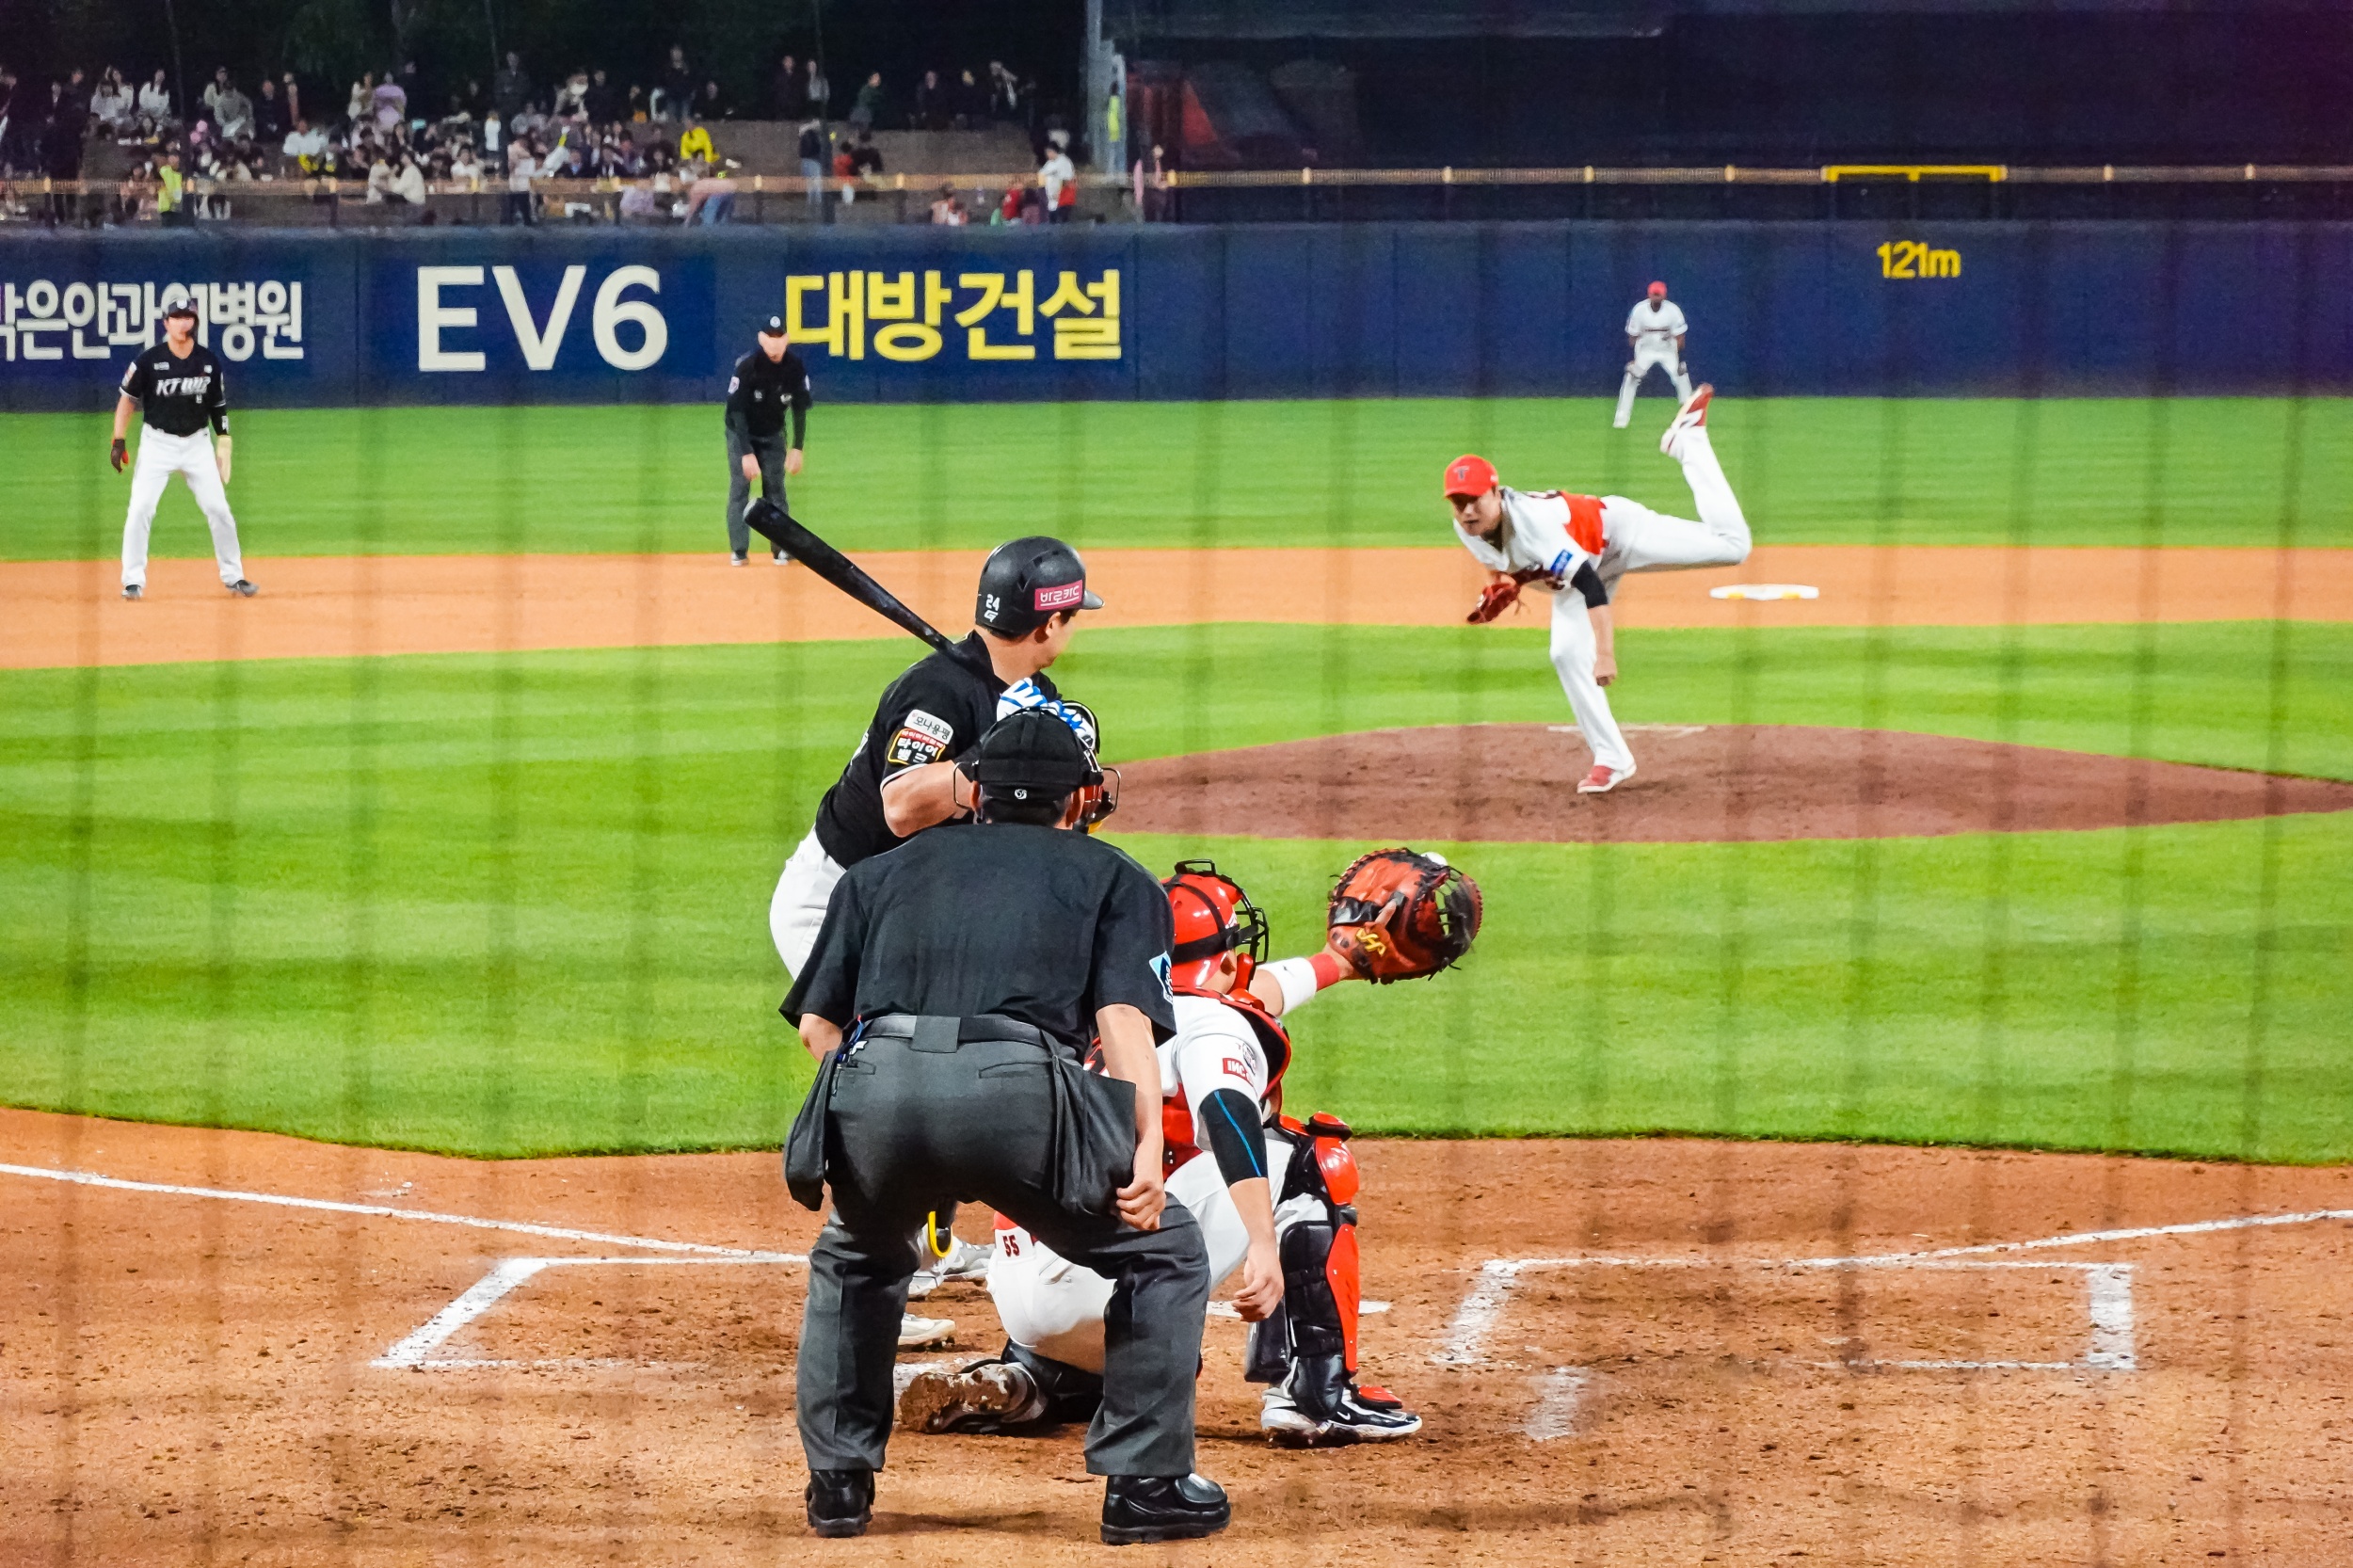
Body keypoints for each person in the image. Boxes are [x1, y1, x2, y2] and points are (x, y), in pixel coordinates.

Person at [782, 707, 1230, 1544]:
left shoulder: (877, 874)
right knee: (1163, 1250)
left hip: (875, 1083)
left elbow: (819, 1027)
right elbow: (1124, 1027)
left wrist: (896, 1113)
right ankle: (1145, 1487)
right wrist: (1144, 1153)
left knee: (857, 1257)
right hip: (1019, 1093)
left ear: (974, 791)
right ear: (1080, 799)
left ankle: (838, 1487)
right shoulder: (1116, 877)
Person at [902, 860, 1424, 1447]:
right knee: (1307, 1159)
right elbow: (1227, 1110)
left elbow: (1240, 993)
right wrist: (1261, 1243)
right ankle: (1316, 1397)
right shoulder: (1214, 1020)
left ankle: (1037, 1379)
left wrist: (1338, 962)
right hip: (1104, 1288)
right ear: (1227, 961)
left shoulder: (1088, 1001)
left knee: (1094, 1187)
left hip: (1025, 1288)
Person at [1449, 386, 1747, 792]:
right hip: (1577, 571)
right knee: (1565, 653)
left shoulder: (1534, 525)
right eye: (1458, 502)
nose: (1467, 510)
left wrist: (1604, 654)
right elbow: (1494, 559)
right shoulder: (1467, 526)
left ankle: (1687, 441)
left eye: (1475, 500)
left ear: (1496, 494)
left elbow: (1590, 584)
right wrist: (1500, 583)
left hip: (1620, 535)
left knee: (1733, 547)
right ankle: (1612, 758)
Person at [110, 301, 254, 600]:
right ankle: (132, 581)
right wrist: (118, 440)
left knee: (219, 510)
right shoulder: (148, 361)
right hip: (157, 444)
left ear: (195, 322)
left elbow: (217, 403)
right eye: (176, 317)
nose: (182, 322)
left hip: (197, 445)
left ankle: (235, 576)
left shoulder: (208, 361)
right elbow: (127, 400)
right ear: (166, 323)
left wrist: (224, 438)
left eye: (188, 317)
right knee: (140, 509)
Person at [724, 315, 809, 565]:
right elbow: (736, 412)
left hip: (773, 432)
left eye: (779, 337)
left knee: (776, 490)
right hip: (741, 432)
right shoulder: (747, 366)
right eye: (769, 338)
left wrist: (797, 447)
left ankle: (781, 548)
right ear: (761, 339)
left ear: (787, 339)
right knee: (740, 488)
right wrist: (746, 453)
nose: (774, 343)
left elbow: (800, 408)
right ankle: (739, 550)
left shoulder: (794, 367)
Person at [1614, 280, 1693, 430]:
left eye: (1659, 295)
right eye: (1654, 294)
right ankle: (1621, 420)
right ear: (1649, 295)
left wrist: (1680, 358)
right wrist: (1632, 360)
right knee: (1630, 379)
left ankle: (1689, 420)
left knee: (1681, 377)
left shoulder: (1673, 310)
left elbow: (1680, 337)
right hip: (1646, 350)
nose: (1656, 297)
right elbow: (1632, 336)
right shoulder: (1639, 310)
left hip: (1667, 350)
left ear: (1664, 296)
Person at [1040, 136, 1076, 223]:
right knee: (1052, 223)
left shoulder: (1063, 161)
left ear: (1054, 151)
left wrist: (1060, 193)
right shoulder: (1049, 163)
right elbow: (1042, 174)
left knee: (1061, 224)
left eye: (1048, 152)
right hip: (1051, 202)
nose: (1047, 155)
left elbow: (1068, 179)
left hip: (1062, 201)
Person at [795, 117, 824, 210]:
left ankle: (811, 203)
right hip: (813, 160)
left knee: (810, 184)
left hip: (806, 160)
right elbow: (816, 147)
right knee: (816, 182)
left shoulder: (805, 134)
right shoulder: (812, 135)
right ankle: (818, 203)